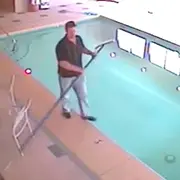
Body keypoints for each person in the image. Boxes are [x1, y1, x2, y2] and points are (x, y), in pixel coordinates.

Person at [55, 21, 97, 121]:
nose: (73, 33)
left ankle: (85, 114)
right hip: (66, 75)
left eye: (74, 31)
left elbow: (82, 49)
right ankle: (66, 110)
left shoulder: (78, 39)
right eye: (70, 31)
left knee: (83, 94)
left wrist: (91, 53)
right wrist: (78, 69)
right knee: (66, 95)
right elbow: (62, 63)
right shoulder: (61, 45)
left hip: (79, 75)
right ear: (66, 31)